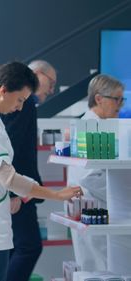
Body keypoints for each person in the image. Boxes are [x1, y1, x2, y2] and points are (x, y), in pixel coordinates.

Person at [0, 61, 82, 281]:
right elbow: (9, 178)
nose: (20, 107)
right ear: (3, 90)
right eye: (20, 99)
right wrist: (57, 194)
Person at [0, 60, 57, 281]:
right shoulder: (24, 103)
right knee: (29, 247)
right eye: (50, 83)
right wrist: (15, 192)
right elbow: (11, 145)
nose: (51, 90)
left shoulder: (22, 103)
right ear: (37, 74)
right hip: (19, 190)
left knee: (16, 248)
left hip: (18, 187)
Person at [69, 74, 125, 272]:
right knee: (100, 267)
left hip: (96, 207)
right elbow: (90, 176)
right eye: (116, 99)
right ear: (99, 98)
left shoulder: (101, 125)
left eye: (122, 99)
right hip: (95, 207)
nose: (120, 104)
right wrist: (123, 193)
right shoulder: (90, 127)